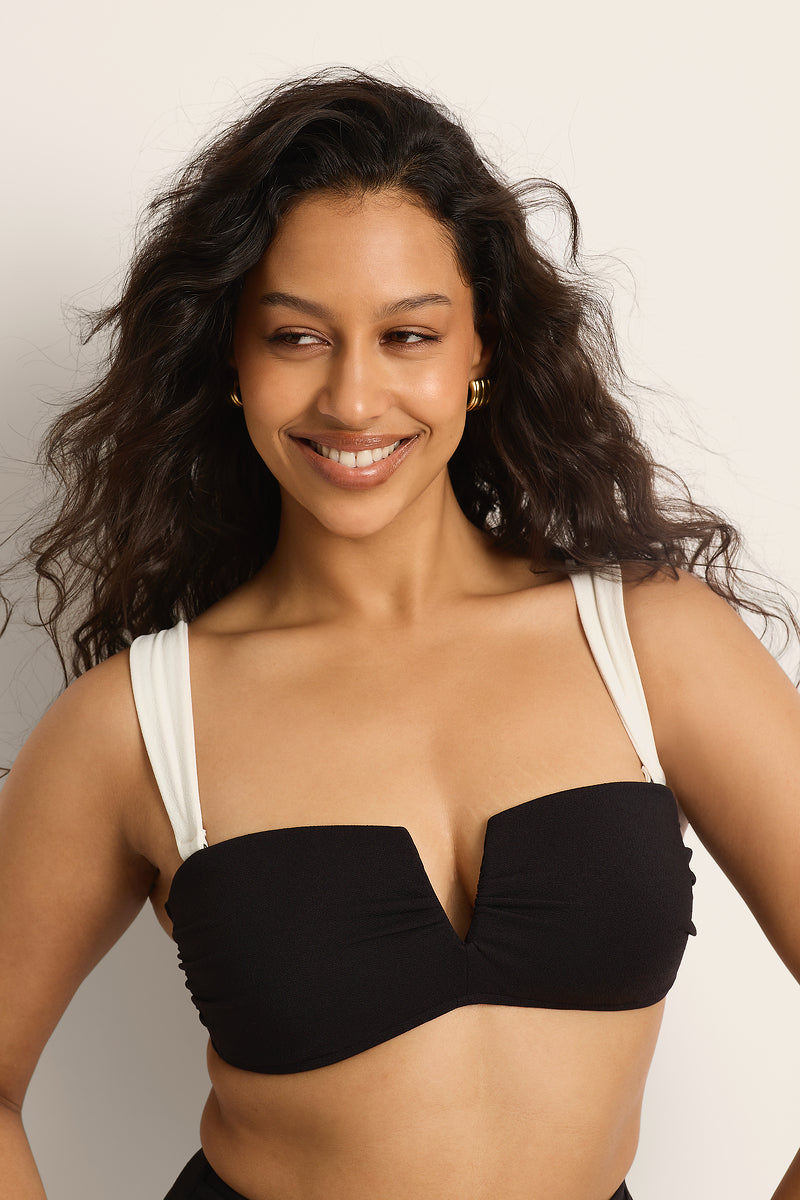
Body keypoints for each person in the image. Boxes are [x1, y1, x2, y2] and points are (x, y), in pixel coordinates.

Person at [1, 66, 798, 1200]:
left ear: (481, 351)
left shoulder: (650, 643)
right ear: (230, 359)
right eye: (296, 337)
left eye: (408, 335)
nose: (354, 400)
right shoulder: (137, 726)